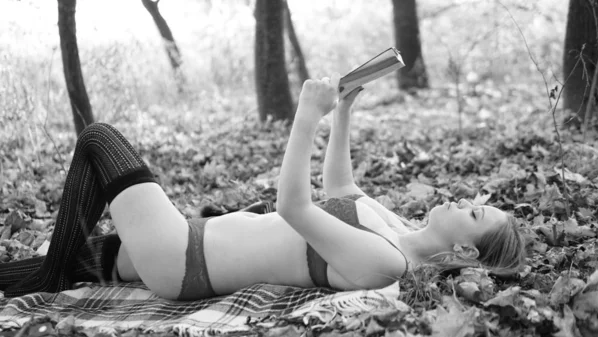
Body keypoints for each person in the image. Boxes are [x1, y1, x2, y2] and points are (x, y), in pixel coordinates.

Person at [0, 74, 525, 300]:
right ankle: (45, 272)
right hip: (190, 235)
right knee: (52, 265)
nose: (467, 199)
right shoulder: (400, 230)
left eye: (476, 214)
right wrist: (343, 114)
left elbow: (295, 206)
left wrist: (306, 117)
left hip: (184, 260)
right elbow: (340, 185)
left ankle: (48, 276)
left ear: (465, 252)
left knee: (98, 140)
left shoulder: (389, 263)